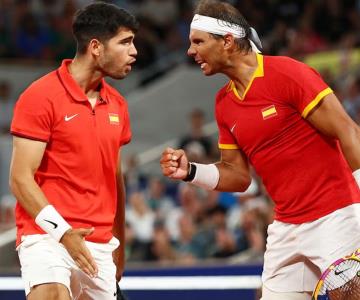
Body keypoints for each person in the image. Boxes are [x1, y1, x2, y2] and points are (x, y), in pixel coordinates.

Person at [159, 1, 360, 299]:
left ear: (227, 41)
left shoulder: (288, 73)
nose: (190, 51)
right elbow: (238, 176)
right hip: (286, 227)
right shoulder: (223, 104)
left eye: (198, 42)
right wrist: (190, 171)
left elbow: (349, 131)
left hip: (336, 216)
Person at [9, 3, 138, 299]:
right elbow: (19, 179)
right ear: (96, 47)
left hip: (100, 246)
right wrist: (63, 233)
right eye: (125, 42)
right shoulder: (40, 96)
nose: (134, 52)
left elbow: (114, 179)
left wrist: (119, 243)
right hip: (47, 236)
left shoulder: (118, 104)